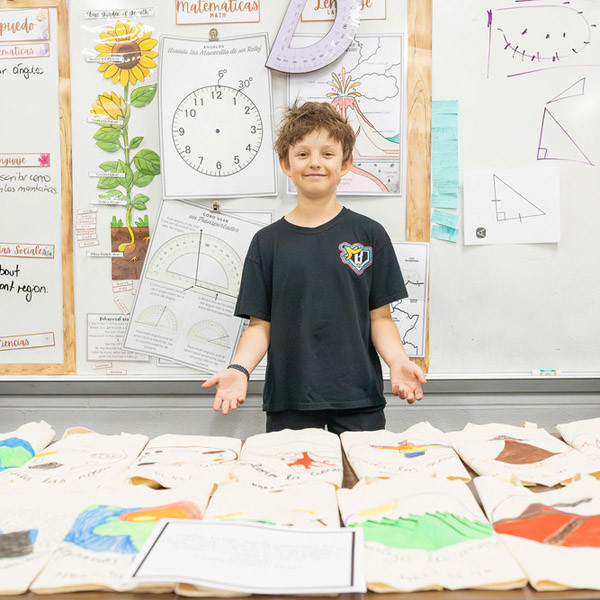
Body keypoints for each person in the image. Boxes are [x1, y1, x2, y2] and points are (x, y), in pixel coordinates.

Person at [202, 101, 426, 433]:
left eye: (327, 153)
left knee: (359, 483)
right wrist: (239, 369)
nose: (315, 163)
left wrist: (398, 361)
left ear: (346, 163)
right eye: (303, 154)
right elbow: (259, 326)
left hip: (358, 401)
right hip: (289, 402)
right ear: (286, 164)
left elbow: (380, 318)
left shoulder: (370, 235)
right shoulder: (267, 243)